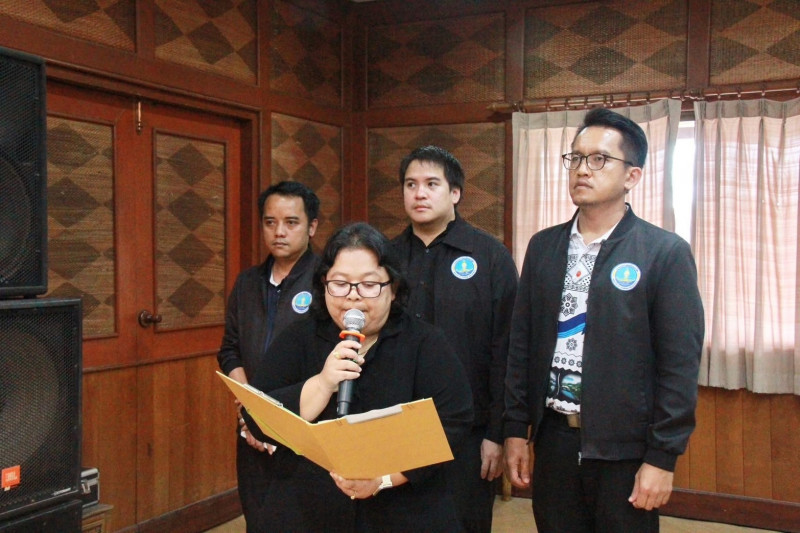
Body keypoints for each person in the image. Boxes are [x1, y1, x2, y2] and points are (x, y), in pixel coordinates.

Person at [503, 108, 704, 532]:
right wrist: (515, 429)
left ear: (632, 176)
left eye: (599, 159)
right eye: (575, 158)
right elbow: (522, 345)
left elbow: (679, 365)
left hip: (625, 449)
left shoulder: (663, 252)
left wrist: (662, 457)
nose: (582, 169)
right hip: (554, 439)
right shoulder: (544, 247)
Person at [244, 222, 474, 532]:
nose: (353, 297)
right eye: (340, 283)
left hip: (403, 510)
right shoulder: (300, 336)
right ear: (324, 284)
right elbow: (257, 414)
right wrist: (323, 383)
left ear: (393, 288)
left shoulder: (425, 342)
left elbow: (454, 421)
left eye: (368, 284)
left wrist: (384, 478)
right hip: (308, 507)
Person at [391, 145, 518, 533]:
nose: (420, 193)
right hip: (396, 426)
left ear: (456, 193)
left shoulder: (490, 256)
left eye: (432, 184)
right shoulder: (385, 258)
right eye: (411, 184)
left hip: (469, 432)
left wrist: (497, 433)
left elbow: (507, 350)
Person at [217, 180, 320, 531]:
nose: (279, 232)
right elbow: (229, 349)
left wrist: (274, 417)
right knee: (258, 519)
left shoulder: (326, 283)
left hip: (304, 429)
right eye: (270, 222)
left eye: (291, 222)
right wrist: (250, 412)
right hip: (250, 429)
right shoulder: (247, 283)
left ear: (312, 227)